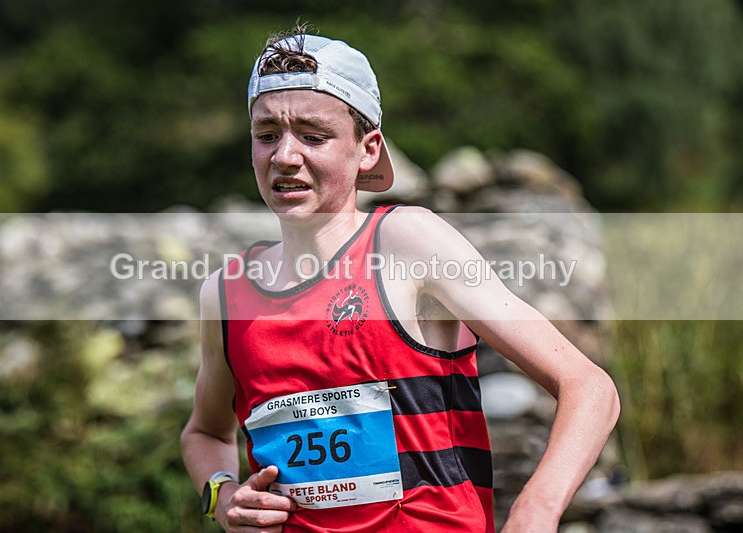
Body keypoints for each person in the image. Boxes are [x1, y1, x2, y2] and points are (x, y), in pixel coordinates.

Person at [180, 25, 620, 533]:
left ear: (368, 150)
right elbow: (205, 432)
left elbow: (589, 387)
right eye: (266, 135)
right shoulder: (225, 293)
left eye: (314, 136)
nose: (284, 156)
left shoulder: (407, 241)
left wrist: (534, 511)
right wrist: (223, 495)